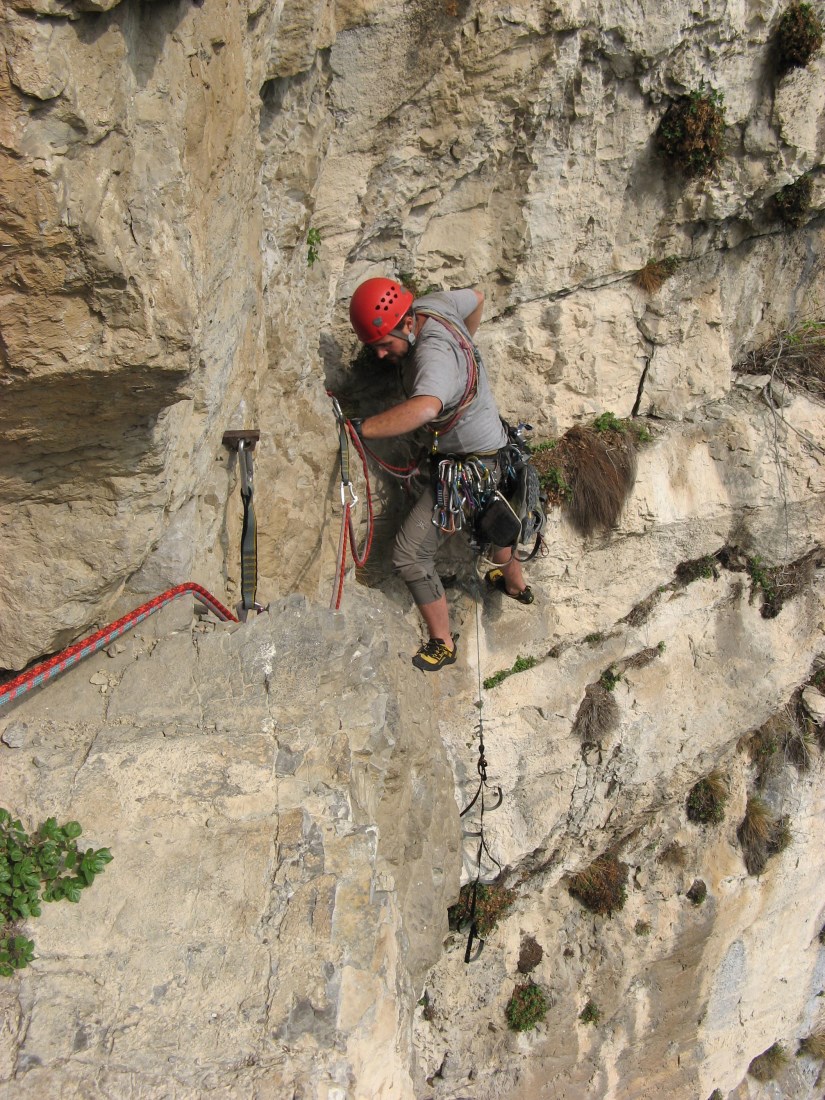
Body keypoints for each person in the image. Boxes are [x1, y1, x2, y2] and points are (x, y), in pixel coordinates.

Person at [348, 277, 533, 672]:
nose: (380, 355)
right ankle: (516, 586)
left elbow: (426, 408)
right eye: (374, 347)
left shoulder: (432, 356)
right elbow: (478, 297)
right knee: (497, 527)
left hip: (468, 468)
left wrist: (361, 429)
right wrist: (464, 346)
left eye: (385, 344)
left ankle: (442, 642)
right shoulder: (434, 304)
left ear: (406, 323)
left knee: (409, 554)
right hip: (495, 448)